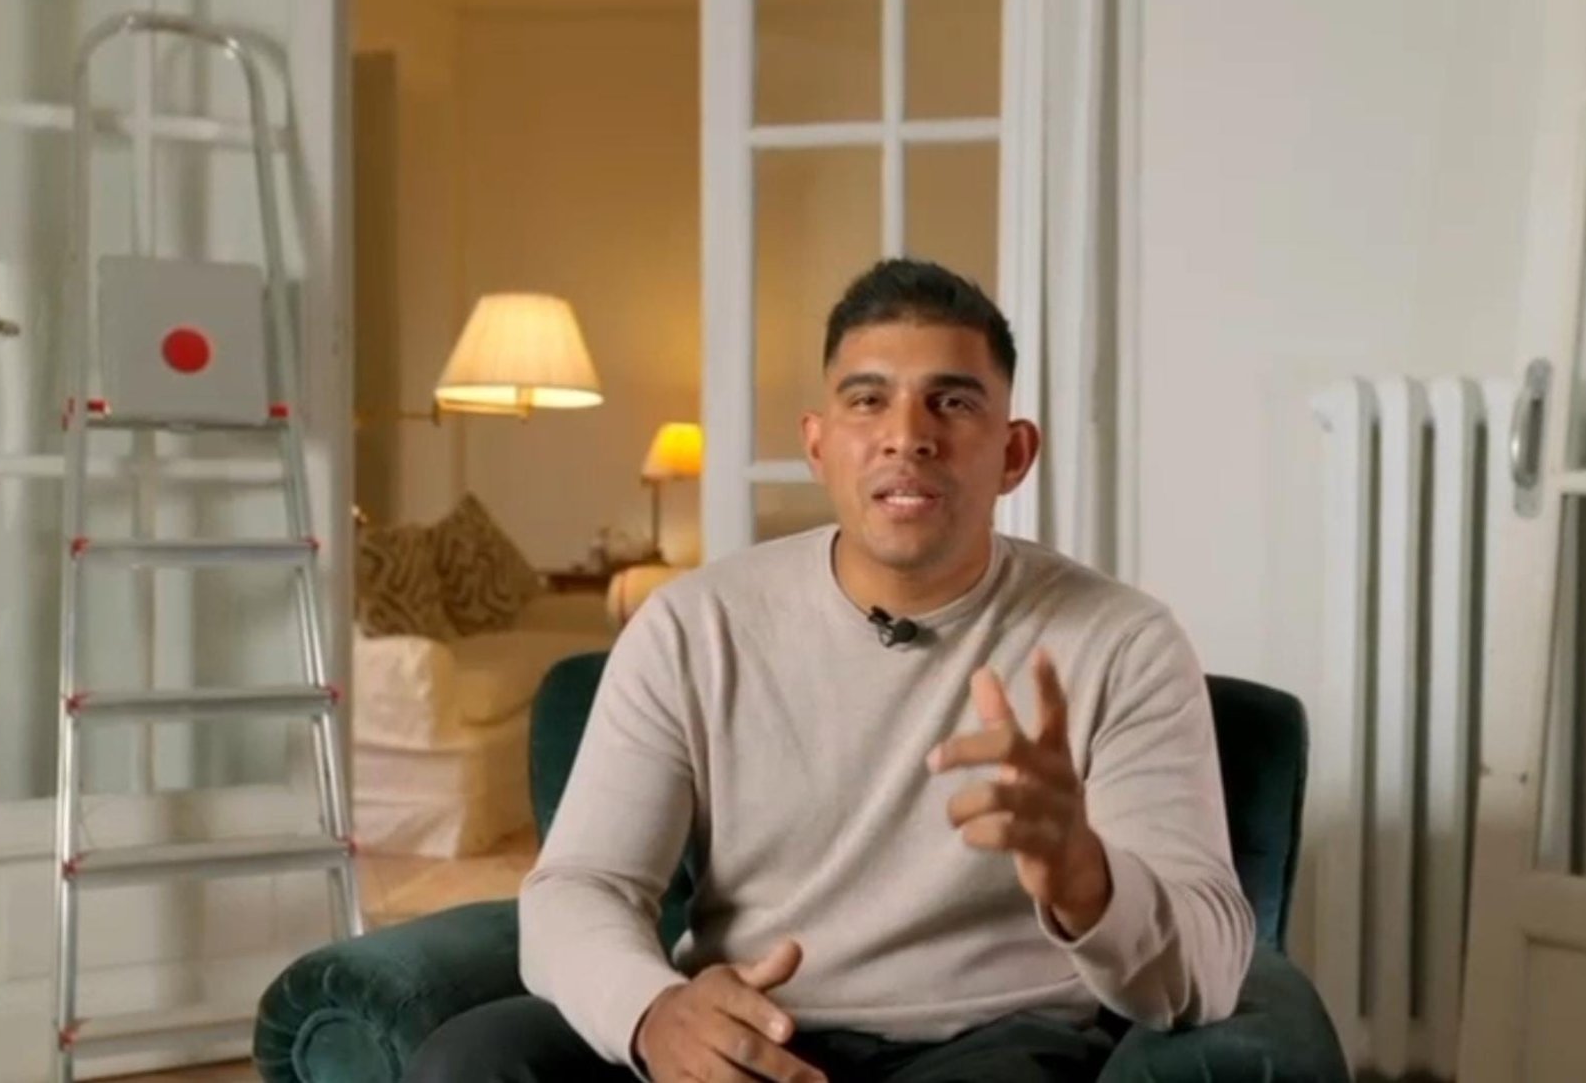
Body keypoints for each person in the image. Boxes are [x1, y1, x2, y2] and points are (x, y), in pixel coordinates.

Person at [404, 258, 1255, 1083]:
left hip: (995, 1042)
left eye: (953, 403)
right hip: (752, 1023)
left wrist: (1084, 876)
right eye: (868, 400)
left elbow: (1211, 968)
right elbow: (578, 889)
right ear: (818, 444)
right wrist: (655, 1014)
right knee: (472, 1063)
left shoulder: (1125, 642)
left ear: (1013, 453)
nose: (908, 436)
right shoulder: (693, 626)